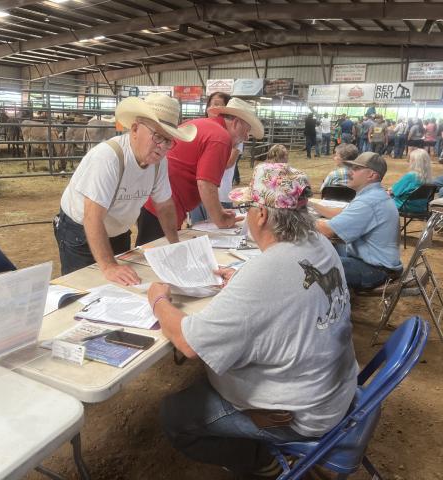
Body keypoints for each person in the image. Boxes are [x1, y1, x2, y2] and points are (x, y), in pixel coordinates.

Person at [149, 163, 358, 478]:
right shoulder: (319, 243)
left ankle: (259, 461)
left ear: (261, 215)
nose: (245, 215)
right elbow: (288, 289)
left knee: (173, 415)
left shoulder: (269, 271)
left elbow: (188, 344)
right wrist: (245, 279)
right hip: (332, 390)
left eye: (247, 207)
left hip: (298, 415)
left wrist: (158, 300)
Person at [54, 93, 196, 284]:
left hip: (117, 229)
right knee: (84, 287)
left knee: (122, 286)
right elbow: (92, 217)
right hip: (80, 232)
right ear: (135, 129)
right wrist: (109, 266)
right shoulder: (108, 158)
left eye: (169, 140)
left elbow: (164, 205)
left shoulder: (159, 163)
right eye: (157, 137)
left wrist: (174, 244)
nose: (162, 147)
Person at [137, 97, 263, 245]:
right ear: (236, 123)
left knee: (154, 250)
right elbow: (206, 183)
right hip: (163, 208)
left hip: (157, 202)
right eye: (247, 131)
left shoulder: (204, 125)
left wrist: (219, 212)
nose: (246, 137)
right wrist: (220, 219)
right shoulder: (221, 137)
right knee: (155, 253)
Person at [313, 152, 402, 290]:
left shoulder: (368, 201)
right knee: (324, 248)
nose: (349, 172)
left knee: (311, 264)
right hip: (374, 262)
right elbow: (342, 214)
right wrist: (310, 204)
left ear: (372, 175)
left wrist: (298, 218)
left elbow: (328, 231)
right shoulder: (374, 195)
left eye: (356, 169)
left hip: (374, 270)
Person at [189, 92, 243, 223]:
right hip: (199, 191)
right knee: (199, 228)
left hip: (221, 192)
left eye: (217, 104)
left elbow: (229, 163)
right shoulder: (201, 130)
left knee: (219, 230)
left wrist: (204, 162)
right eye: (211, 104)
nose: (212, 107)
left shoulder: (236, 136)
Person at [389, 149, 433, 213]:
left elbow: (395, 191)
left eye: (410, 159)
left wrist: (390, 190)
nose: (409, 161)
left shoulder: (410, 176)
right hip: (421, 207)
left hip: (405, 206)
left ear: (414, 161)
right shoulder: (428, 177)